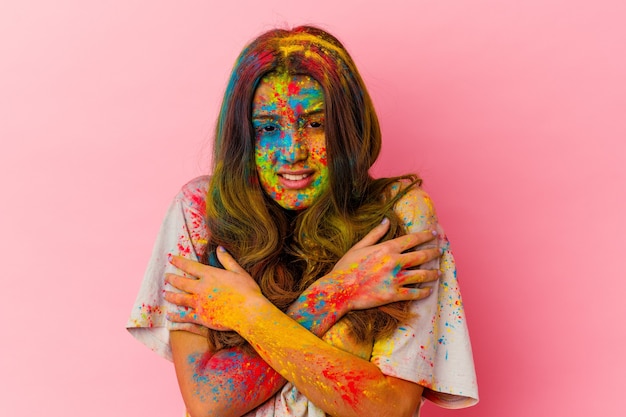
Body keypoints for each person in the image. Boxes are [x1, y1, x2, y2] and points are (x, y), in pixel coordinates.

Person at [127, 25, 478, 417]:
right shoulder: (200, 212)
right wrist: (338, 291)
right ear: (244, 137)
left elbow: (390, 410)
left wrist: (246, 313)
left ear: (347, 129)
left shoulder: (399, 216)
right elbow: (208, 403)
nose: (292, 152)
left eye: (315, 124)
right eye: (268, 128)